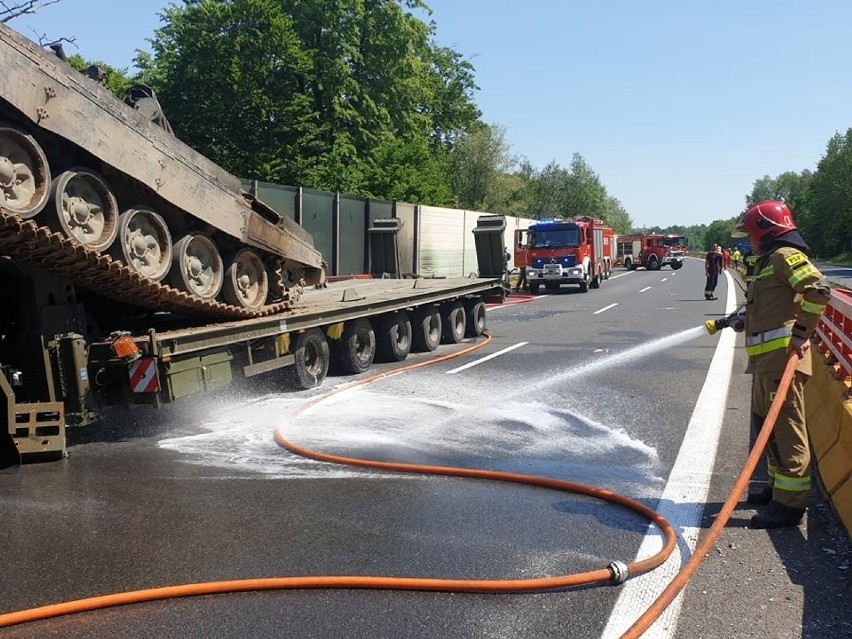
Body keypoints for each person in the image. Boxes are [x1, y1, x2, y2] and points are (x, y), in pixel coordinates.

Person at [727, 200, 831, 528]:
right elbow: (774, 305)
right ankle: (776, 488)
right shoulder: (769, 261)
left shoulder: (787, 257)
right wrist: (745, 319)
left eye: (751, 235)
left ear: (767, 232)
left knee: (786, 430)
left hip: (782, 362)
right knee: (766, 428)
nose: (748, 241)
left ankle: (789, 506)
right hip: (765, 364)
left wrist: (801, 335)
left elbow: (819, 290)